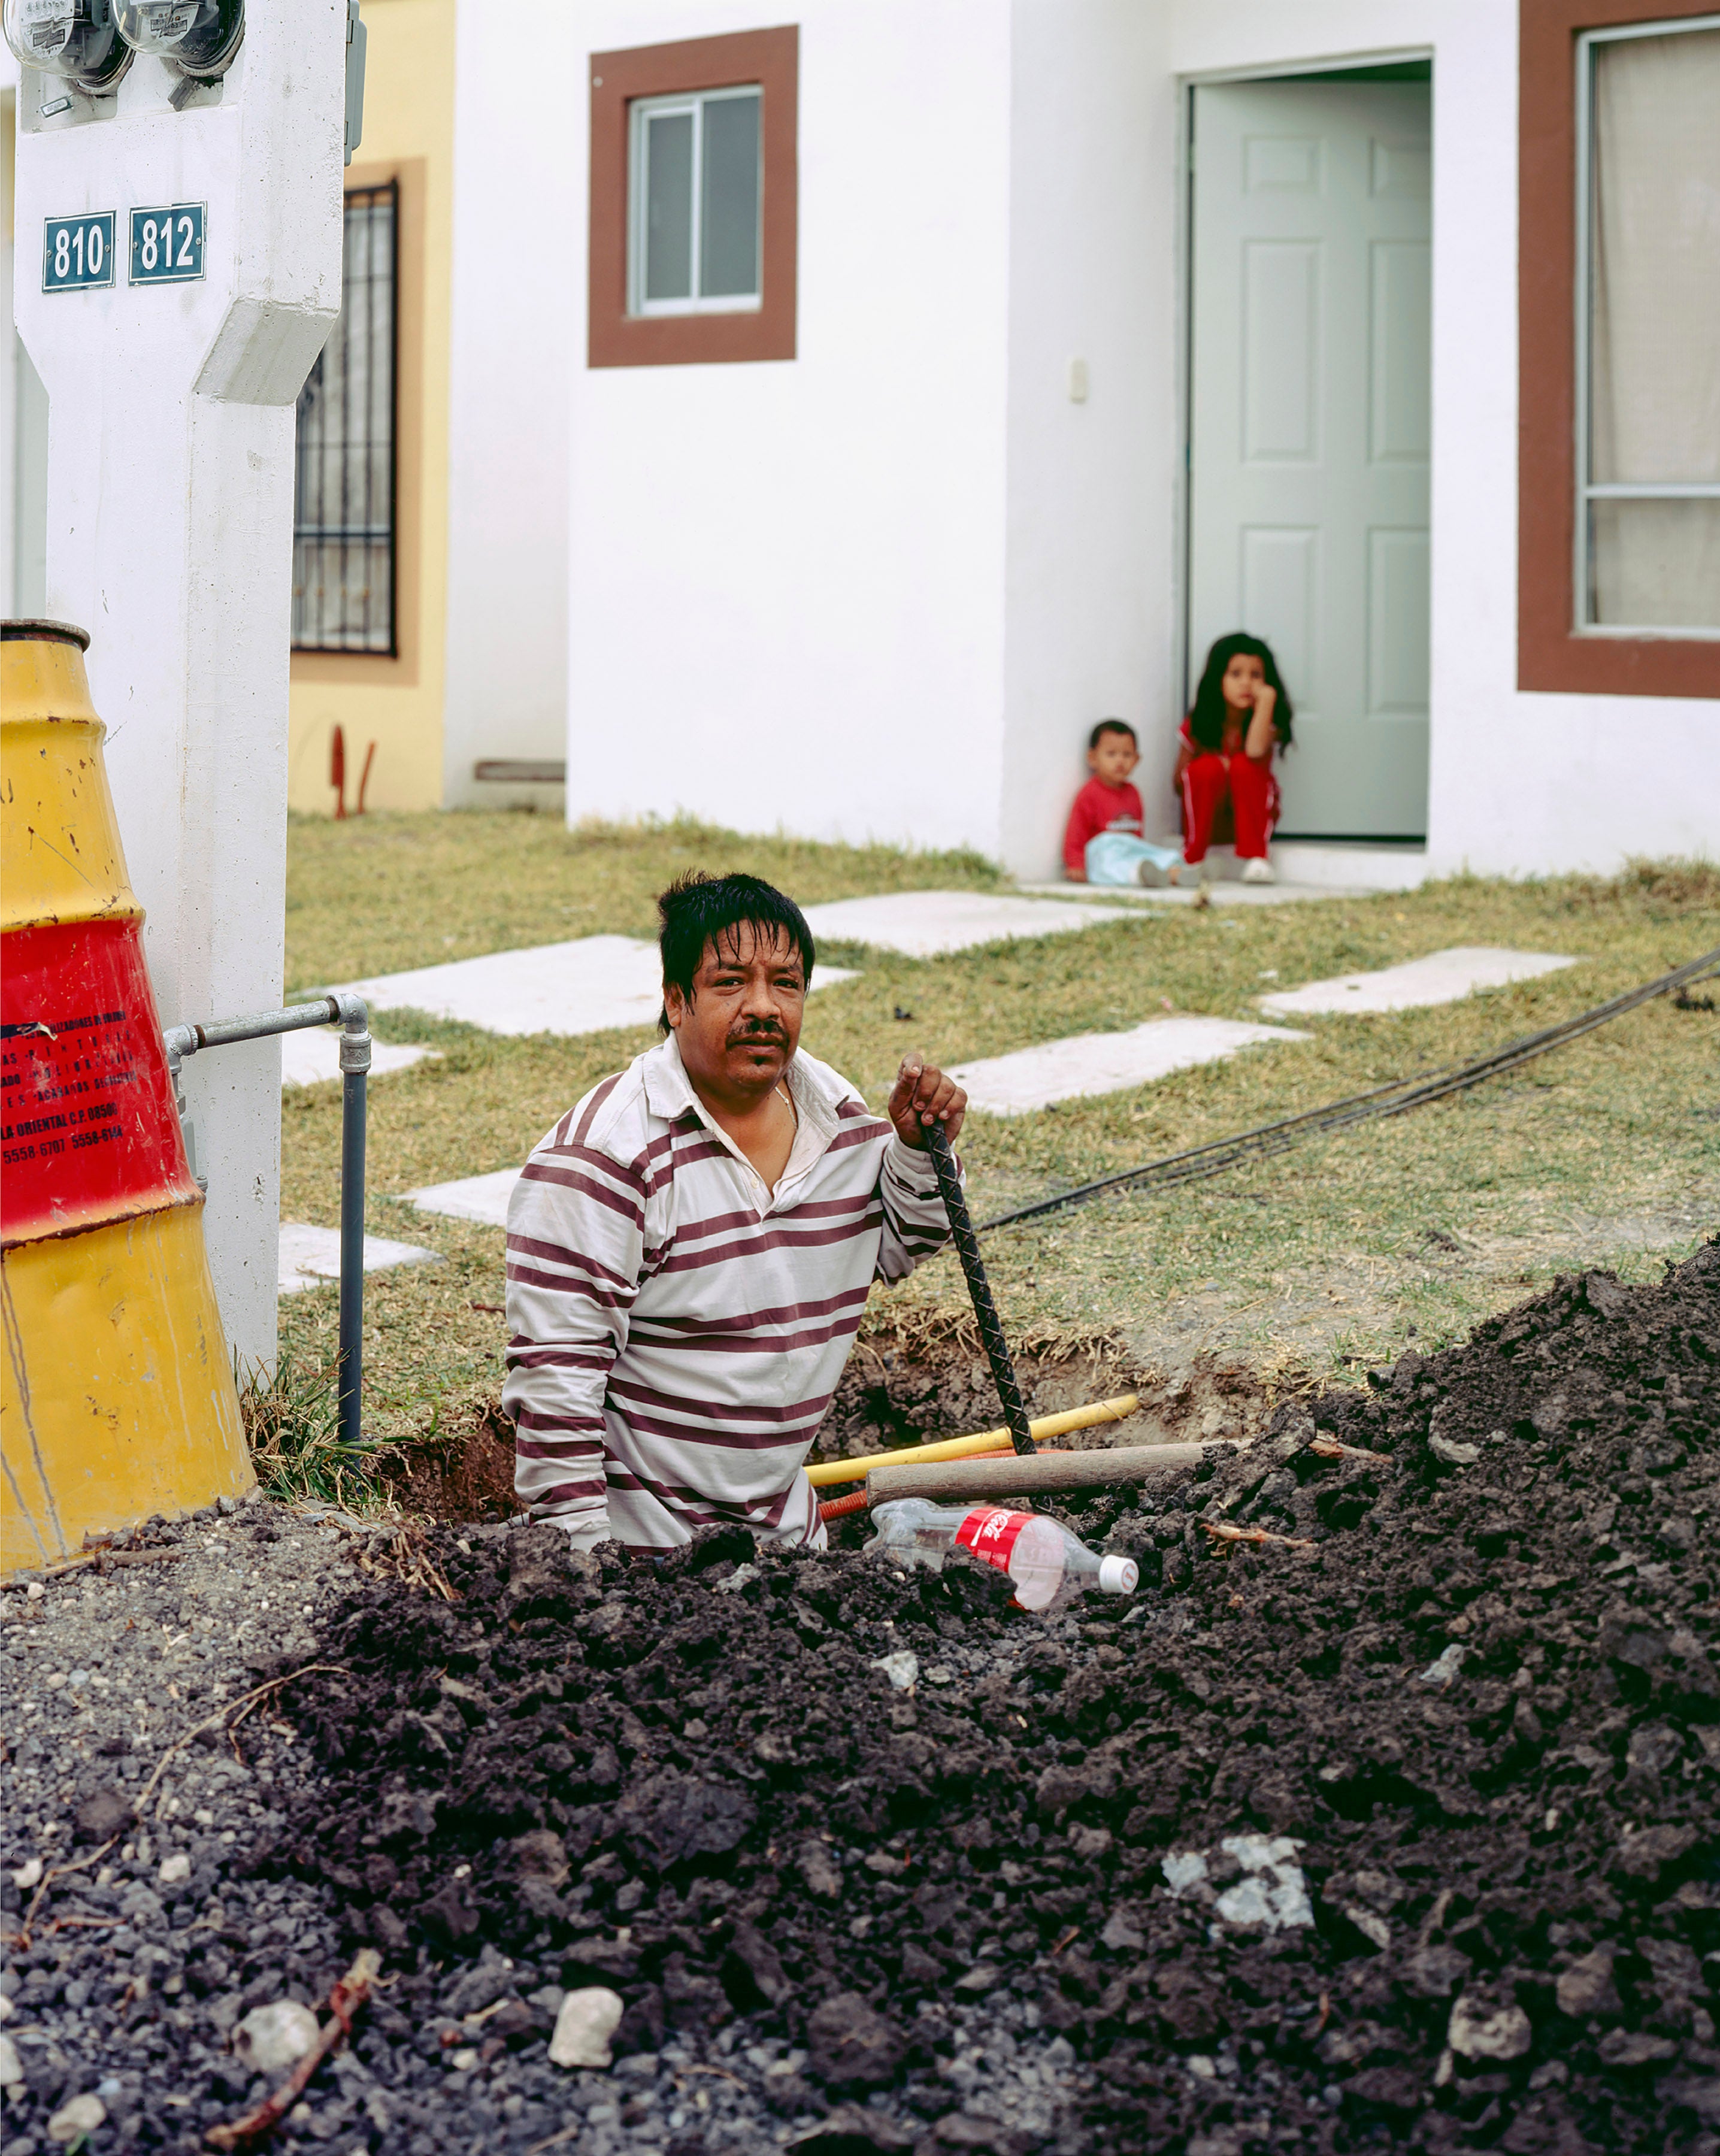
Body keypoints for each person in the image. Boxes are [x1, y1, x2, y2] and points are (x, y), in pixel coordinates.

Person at [501, 870, 967, 1554]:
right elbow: (556, 1383)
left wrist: (918, 1150)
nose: (763, 1007)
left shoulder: (836, 1119)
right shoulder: (605, 1159)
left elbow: (903, 1242)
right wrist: (585, 1573)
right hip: (648, 1563)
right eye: (729, 983)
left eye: (786, 983)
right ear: (675, 1001)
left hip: (790, 1557)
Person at [1174, 633, 1294, 885]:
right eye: (1236, 674)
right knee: (1206, 768)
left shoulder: (1268, 721)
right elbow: (1178, 782)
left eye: (1256, 676)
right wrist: (1216, 770)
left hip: (1252, 822)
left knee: (1243, 765)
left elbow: (1253, 751)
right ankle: (1193, 858)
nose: (1246, 684)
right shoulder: (1200, 722)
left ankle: (1257, 859)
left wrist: (1266, 703)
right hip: (1210, 821)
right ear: (1219, 679)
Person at [1062, 719, 1185, 888]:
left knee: (1155, 854)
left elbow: (1136, 836)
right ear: (1092, 758)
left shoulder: (1133, 792)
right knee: (1112, 865)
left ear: (1136, 759)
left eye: (1127, 755)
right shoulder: (1089, 794)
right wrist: (1076, 864)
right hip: (1105, 855)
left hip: (1129, 851)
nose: (1120, 761)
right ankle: (1144, 875)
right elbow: (1076, 834)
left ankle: (1179, 869)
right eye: (1111, 754)